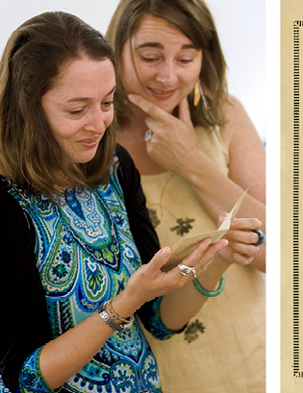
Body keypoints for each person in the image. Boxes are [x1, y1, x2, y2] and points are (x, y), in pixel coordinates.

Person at [0, 10, 247, 393]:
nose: (98, 125)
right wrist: (123, 304)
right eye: (76, 110)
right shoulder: (7, 203)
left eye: (107, 102)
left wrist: (217, 262)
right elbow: (23, 378)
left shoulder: (117, 167)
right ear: (28, 109)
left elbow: (160, 321)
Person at [106, 0, 266, 391]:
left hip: (252, 362)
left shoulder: (224, 115)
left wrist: (191, 161)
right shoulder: (93, 135)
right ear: (116, 48)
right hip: (158, 374)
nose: (167, 76)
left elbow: (283, 254)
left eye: (186, 58)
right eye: (150, 56)